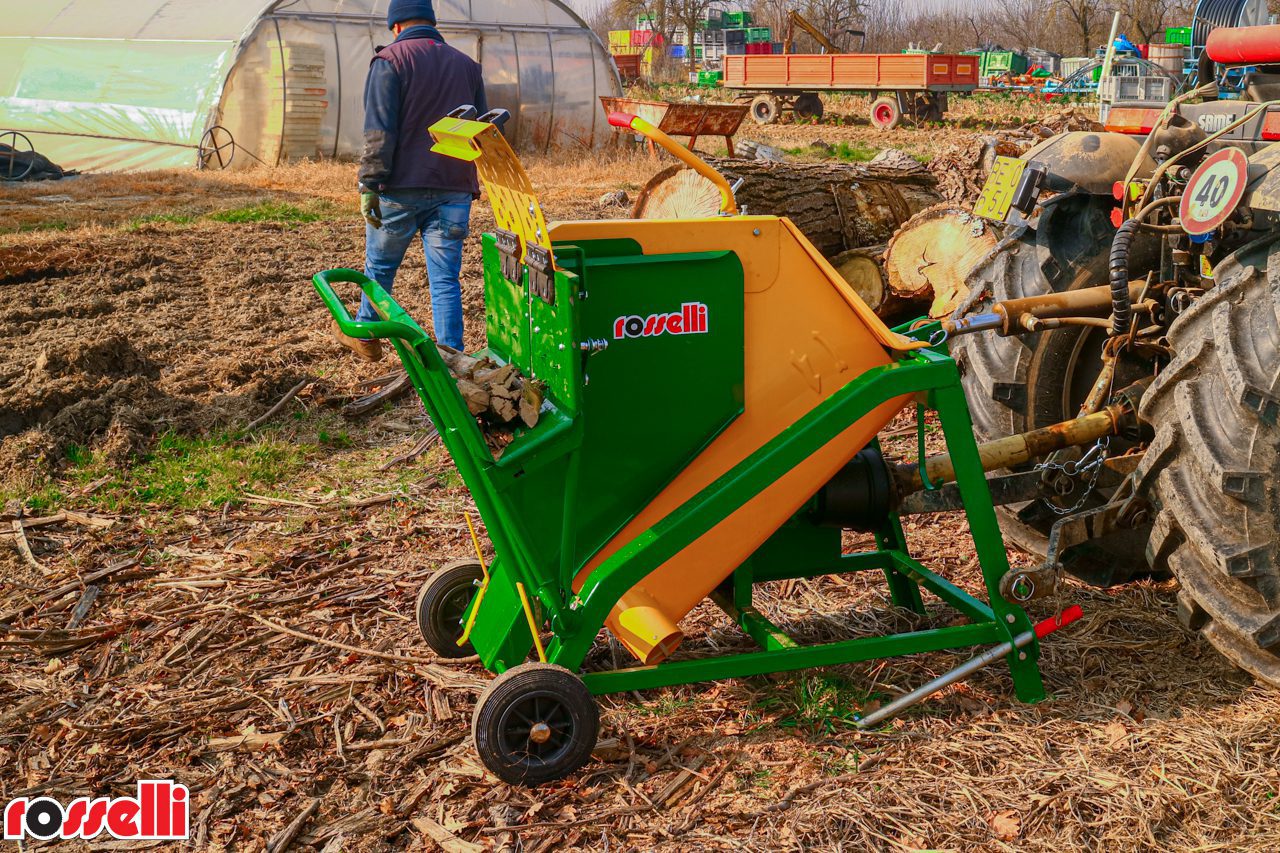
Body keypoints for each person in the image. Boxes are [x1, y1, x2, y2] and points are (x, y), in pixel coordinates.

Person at [334, 0, 488, 362]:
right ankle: (453, 357)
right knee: (445, 280)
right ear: (431, 23)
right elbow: (479, 130)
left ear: (396, 26)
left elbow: (379, 131)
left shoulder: (390, 61)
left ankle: (367, 335)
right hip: (454, 189)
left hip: (400, 189)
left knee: (381, 268)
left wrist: (369, 184)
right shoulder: (467, 66)